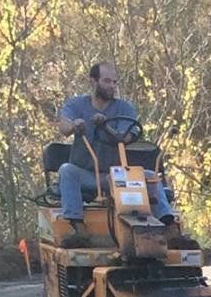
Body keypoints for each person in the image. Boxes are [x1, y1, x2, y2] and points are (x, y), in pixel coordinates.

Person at [55, 61, 178, 246]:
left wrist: (105, 127)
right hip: (89, 174)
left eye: (114, 82)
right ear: (93, 81)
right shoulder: (76, 104)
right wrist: (74, 125)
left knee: (150, 176)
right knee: (66, 170)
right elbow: (63, 127)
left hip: (119, 174)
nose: (111, 86)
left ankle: (170, 227)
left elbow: (125, 137)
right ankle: (78, 227)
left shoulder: (124, 109)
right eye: (106, 81)